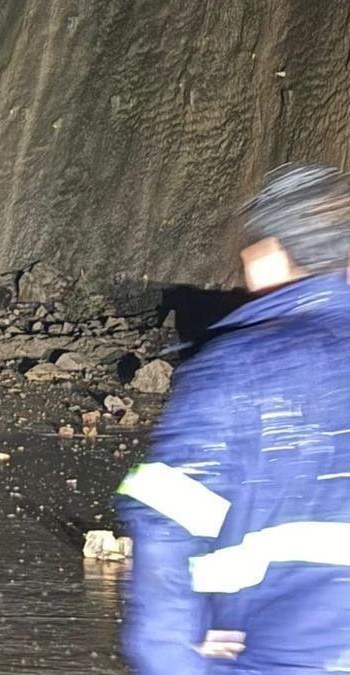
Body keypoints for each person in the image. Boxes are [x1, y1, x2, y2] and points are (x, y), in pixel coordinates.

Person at [118, 164, 350, 673]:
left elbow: (165, 522)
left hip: (274, 655)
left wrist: (174, 659)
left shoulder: (237, 369)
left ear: (268, 256)